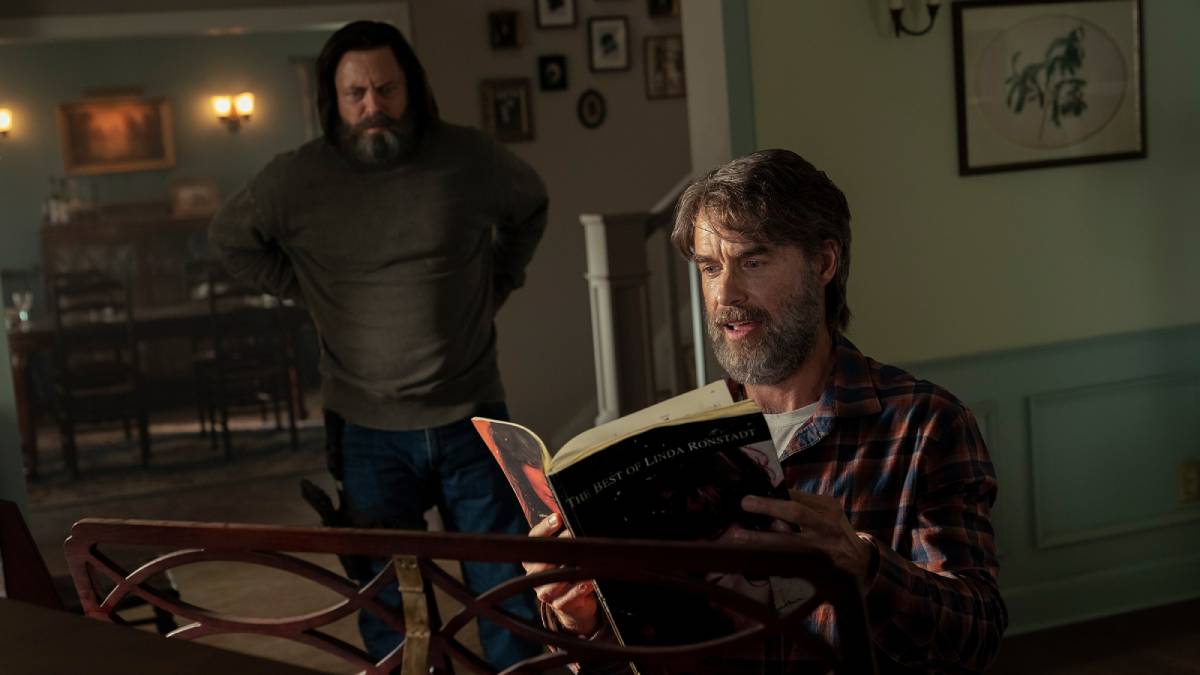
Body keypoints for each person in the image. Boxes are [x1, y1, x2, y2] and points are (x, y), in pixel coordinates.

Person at [527, 149, 1007, 673]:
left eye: (752, 262)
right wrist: (582, 621)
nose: (725, 294)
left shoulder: (926, 425)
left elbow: (976, 637)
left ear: (824, 263)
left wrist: (866, 567)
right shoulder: (676, 441)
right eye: (710, 268)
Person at [208, 20, 547, 669]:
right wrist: (310, 292)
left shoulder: (469, 158)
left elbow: (531, 206)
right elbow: (230, 238)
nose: (373, 106)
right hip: (365, 430)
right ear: (332, 100)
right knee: (391, 606)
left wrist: (496, 284)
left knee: (507, 594)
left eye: (387, 89)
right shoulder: (296, 179)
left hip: (473, 414)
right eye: (356, 94)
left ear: (411, 88)